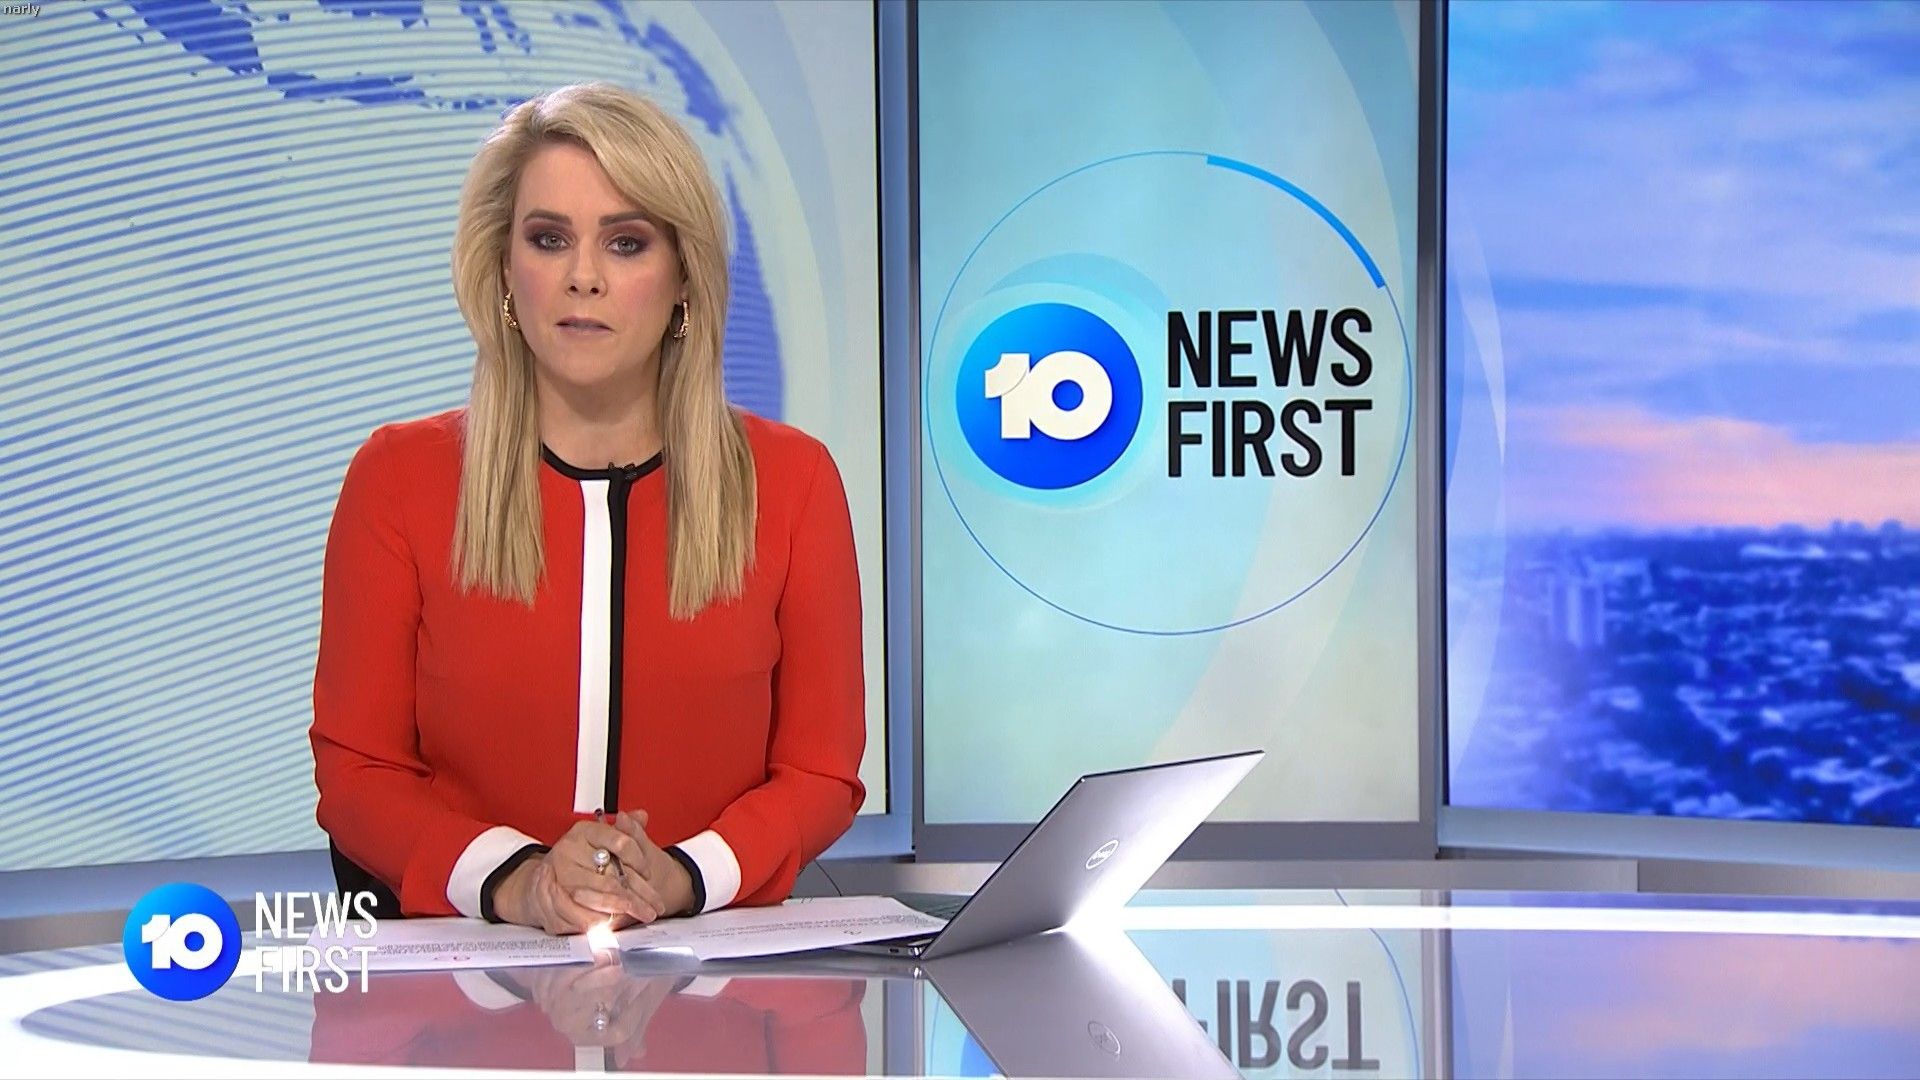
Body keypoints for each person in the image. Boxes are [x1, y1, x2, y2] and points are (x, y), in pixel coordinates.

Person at [309, 82, 865, 933]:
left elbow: (820, 773)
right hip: (467, 985)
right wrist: (521, 882)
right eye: (549, 239)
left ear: (684, 278)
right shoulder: (398, 479)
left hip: (708, 978)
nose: (582, 278)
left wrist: (681, 876)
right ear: (505, 269)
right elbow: (358, 774)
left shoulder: (793, 484)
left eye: (626, 242)